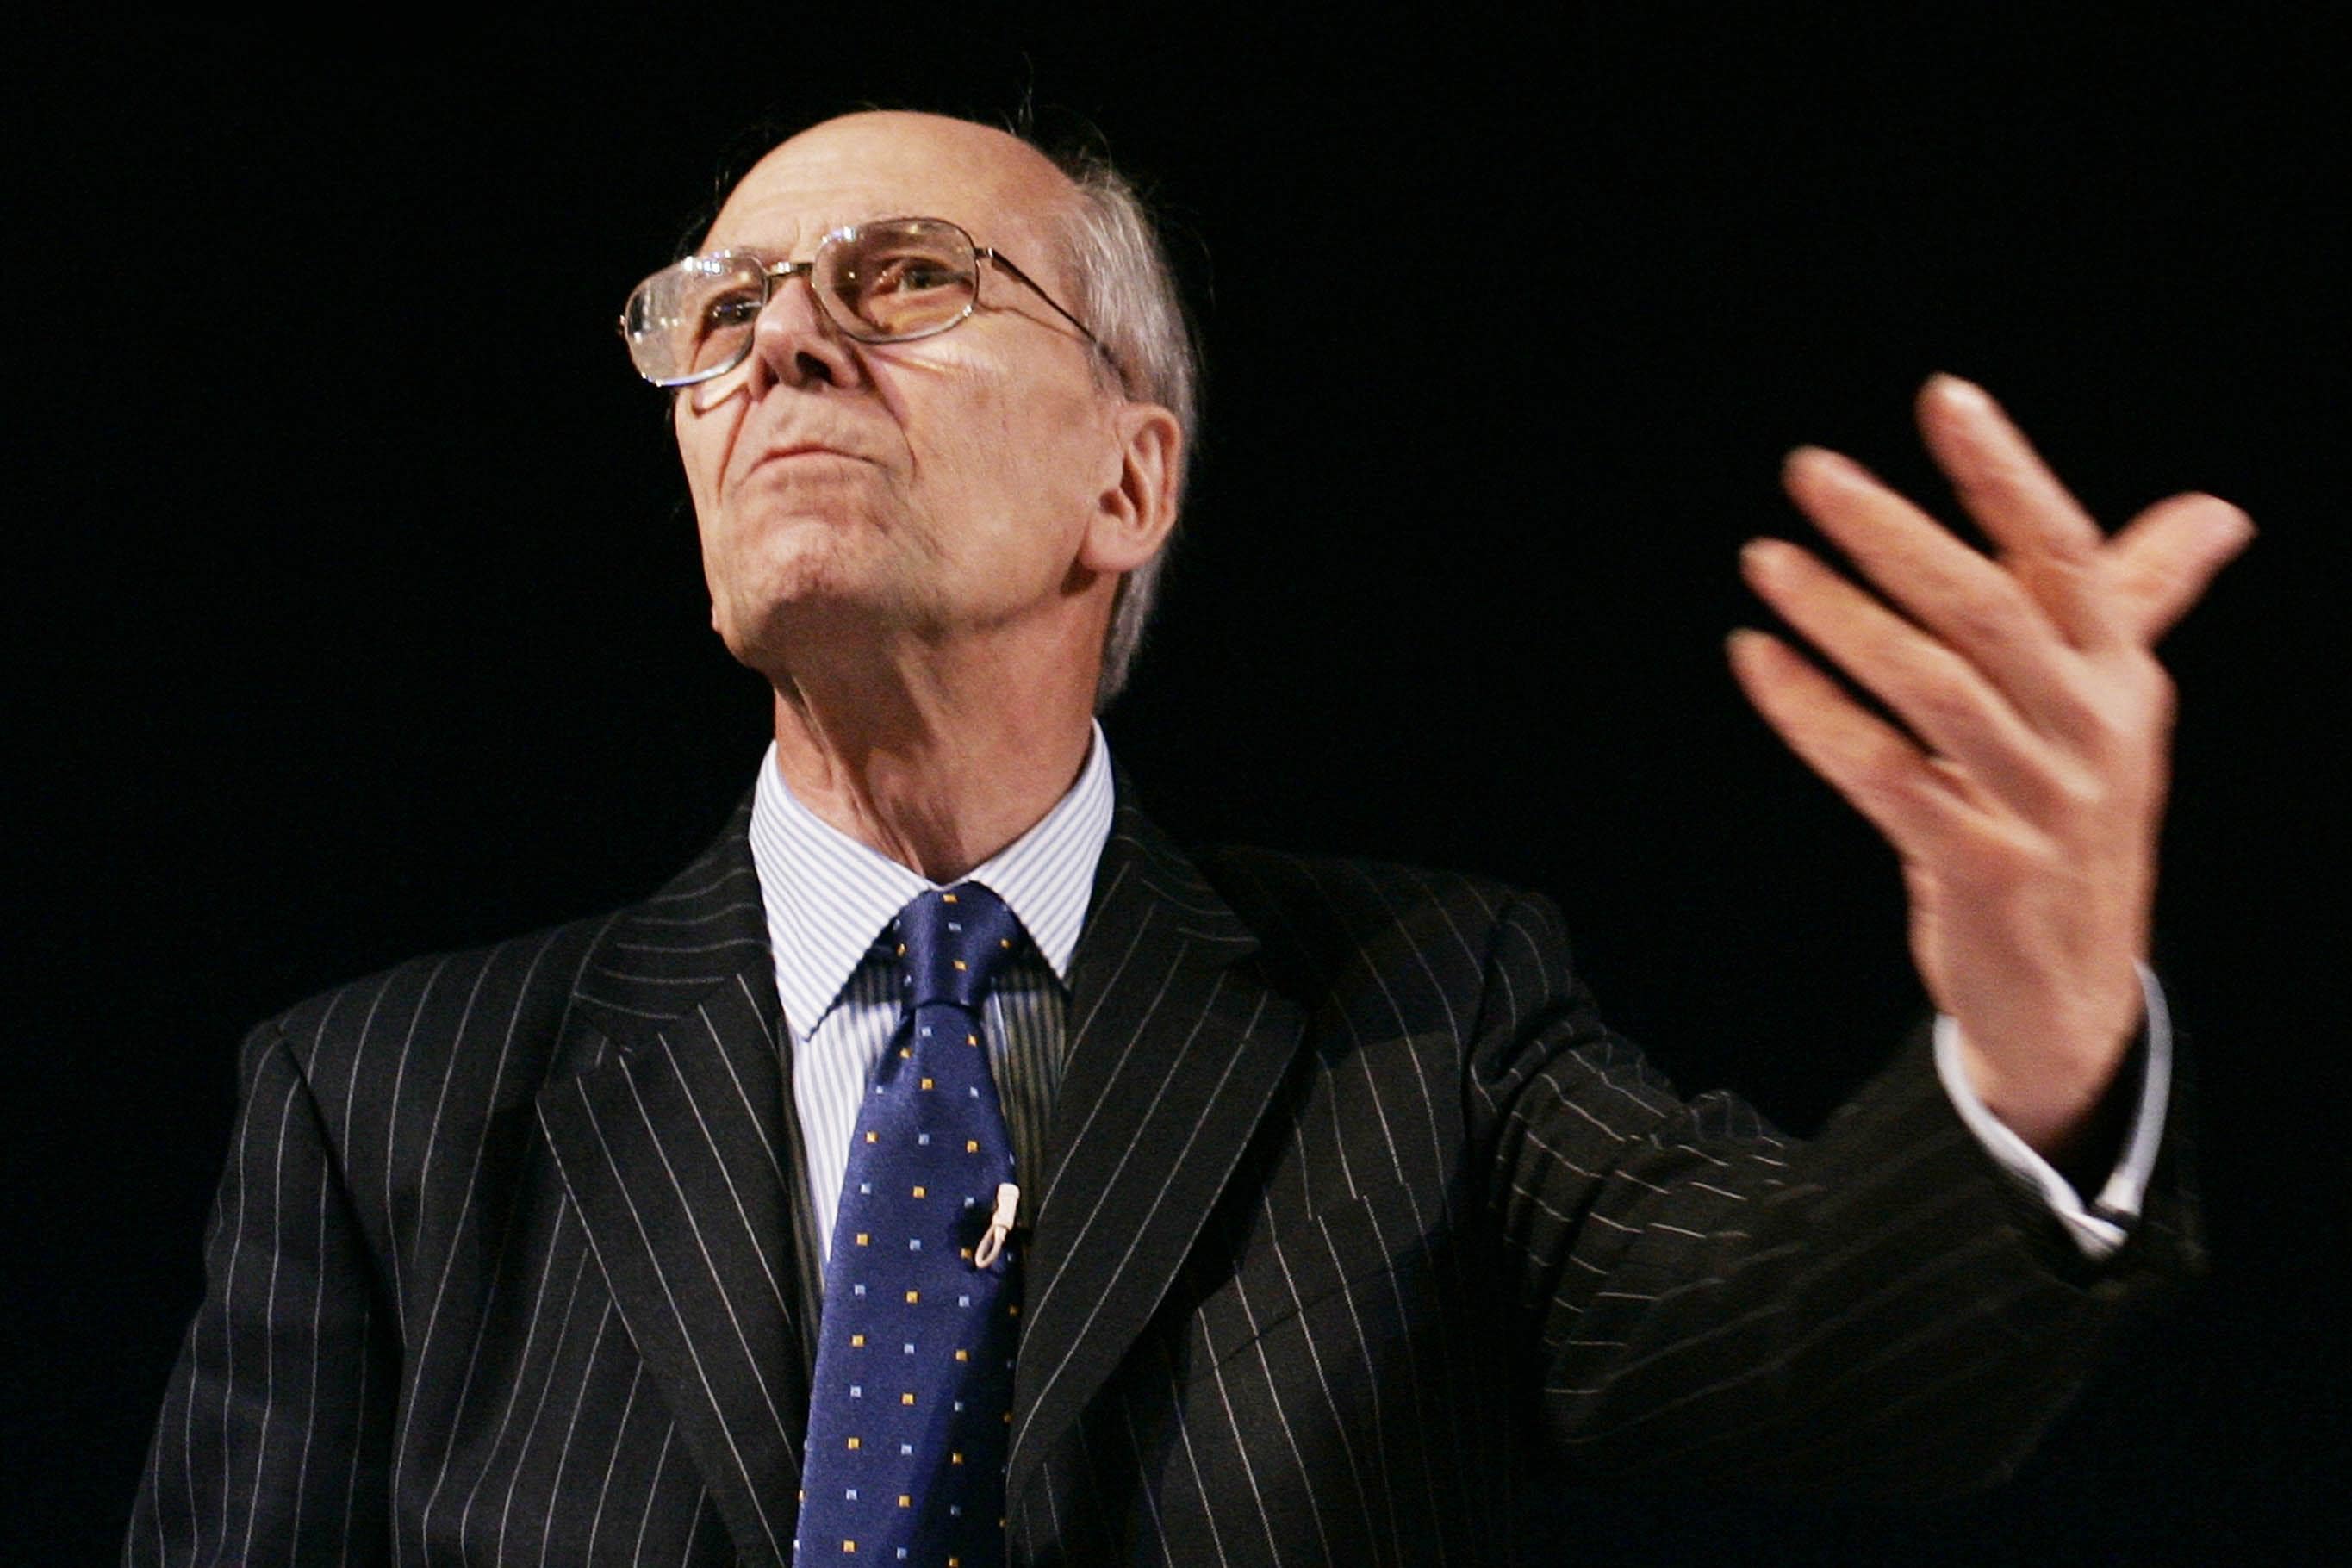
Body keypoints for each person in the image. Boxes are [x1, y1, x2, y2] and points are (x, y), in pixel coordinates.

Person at [127, 110, 2249, 1565]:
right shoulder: (386, 1100)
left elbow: (1812, 1359)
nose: (781, 338)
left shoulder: (1432, 1020)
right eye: (723, 303)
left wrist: (2037, 1036)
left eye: (907, 275)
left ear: (1128, 486)